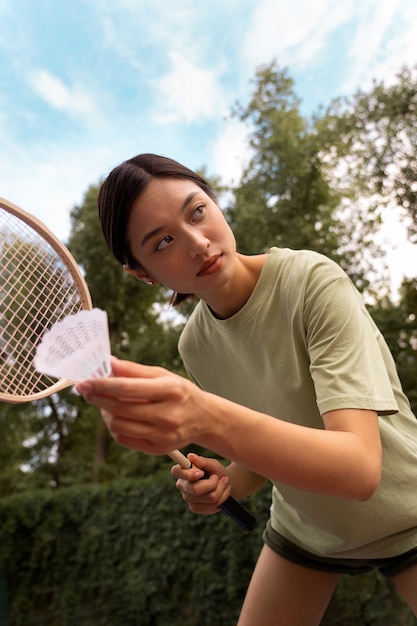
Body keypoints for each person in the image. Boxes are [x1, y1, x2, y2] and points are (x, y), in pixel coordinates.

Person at [76, 153, 417, 624]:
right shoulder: (194, 344)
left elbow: (359, 469)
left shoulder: (312, 282)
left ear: (214, 202)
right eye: (164, 242)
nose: (197, 243)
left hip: (407, 515)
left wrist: (205, 418)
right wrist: (227, 481)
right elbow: (261, 457)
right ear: (142, 274)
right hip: (305, 531)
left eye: (197, 211)